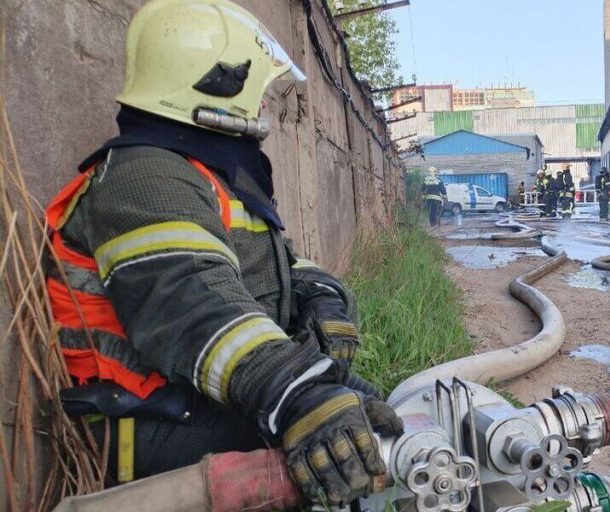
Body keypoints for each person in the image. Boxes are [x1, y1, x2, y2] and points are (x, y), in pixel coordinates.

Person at [43, 0, 401, 507]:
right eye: (256, 90)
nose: (260, 109)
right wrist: (298, 394)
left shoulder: (205, 175)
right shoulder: (145, 177)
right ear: (220, 83)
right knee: (346, 456)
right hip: (151, 426)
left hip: (206, 399)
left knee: (375, 420)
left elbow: (279, 264)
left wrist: (323, 298)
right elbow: (193, 302)